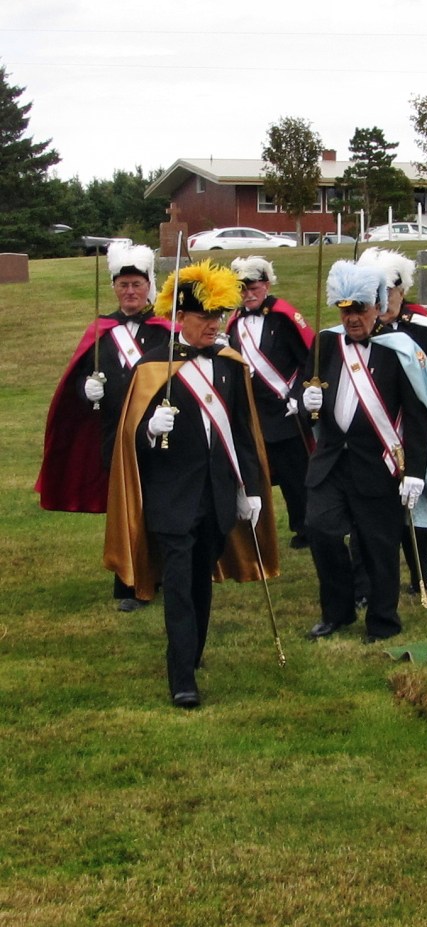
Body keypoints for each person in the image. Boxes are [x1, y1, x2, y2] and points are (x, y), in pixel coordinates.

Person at [103, 260, 278, 708]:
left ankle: (192, 653)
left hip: (217, 495)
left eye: (218, 318)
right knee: (178, 585)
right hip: (171, 497)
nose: (213, 326)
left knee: (200, 582)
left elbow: (242, 432)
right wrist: (149, 428)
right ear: (182, 318)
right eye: (204, 319)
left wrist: (251, 489)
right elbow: (128, 440)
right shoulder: (151, 367)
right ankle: (181, 677)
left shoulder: (229, 365)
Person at [300, 260, 427, 643]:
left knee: (378, 546)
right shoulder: (326, 343)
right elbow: (310, 394)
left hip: (378, 464)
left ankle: (382, 620)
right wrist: (307, 399)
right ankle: (337, 612)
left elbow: (418, 414)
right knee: (320, 531)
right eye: (345, 309)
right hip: (330, 462)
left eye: (359, 309)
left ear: (377, 306)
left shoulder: (399, 350)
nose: (353, 318)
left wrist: (416, 471)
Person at [37, 242, 173, 611]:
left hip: (160, 430)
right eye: (123, 285)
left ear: (149, 287)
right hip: (114, 435)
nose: (130, 291)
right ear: (114, 287)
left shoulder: (165, 331)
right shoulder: (101, 331)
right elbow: (79, 386)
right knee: (127, 511)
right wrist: (86, 389)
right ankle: (130, 583)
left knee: (161, 505)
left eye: (137, 284)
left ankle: (162, 574)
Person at [357, 247, 427, 595]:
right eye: (376, 292)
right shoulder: (362, 330)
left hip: (412, 434)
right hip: (371, 434)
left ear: (402, 290)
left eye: (389, 291)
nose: (384, 299)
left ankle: (421, 573)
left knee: (413, 509)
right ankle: (365, 584)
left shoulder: (422, 329)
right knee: (367, 514)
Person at [226, 256, 315, 550]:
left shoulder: (283, 317)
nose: (248, 294)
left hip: (285, 411)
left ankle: (305, 528)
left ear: (266, 285)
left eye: (253, 287)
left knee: (295, 477)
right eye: (243, 289)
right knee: (254, 478)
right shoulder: (234, 322)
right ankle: (256, 535)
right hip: (253, 414)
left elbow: (309, 361)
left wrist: (299, 396)